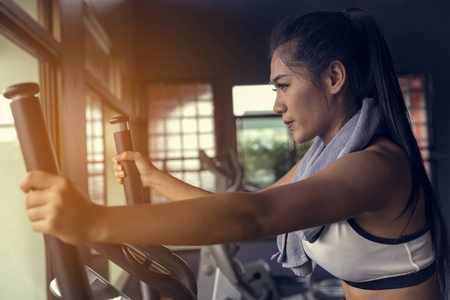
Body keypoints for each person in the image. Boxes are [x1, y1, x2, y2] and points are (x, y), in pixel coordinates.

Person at [19, 8, 449, 300]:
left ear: (334, 77)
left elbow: (251, 215)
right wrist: (153, 179)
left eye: (283, 85)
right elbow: (238, 211)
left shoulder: (375, 167)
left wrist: (93, 221)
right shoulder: (327, 157)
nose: (277, 104)